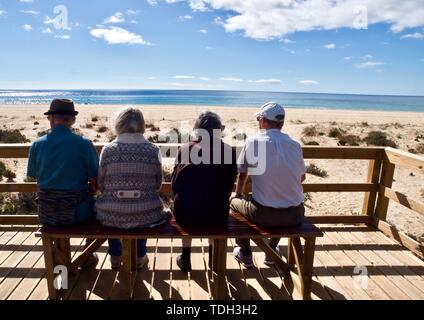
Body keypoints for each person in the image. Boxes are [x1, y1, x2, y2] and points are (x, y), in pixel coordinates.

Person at [230, 102, 306, 268]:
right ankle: (271, 251)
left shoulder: (252, 142)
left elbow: (242, 174)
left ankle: (245, 252)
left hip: (264, 215)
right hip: (295, 214)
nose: (258, 121)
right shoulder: (294, 144)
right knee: (276, 199)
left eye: (259, 118)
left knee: (234, 203)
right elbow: (302, 178)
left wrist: (237, 195)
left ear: (263, 121)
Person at [27, 98, 99, 267]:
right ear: (72, 120)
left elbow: (34, 177)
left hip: (47, 213)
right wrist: (92, 192)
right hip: (78, 213)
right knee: (98, 209)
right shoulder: (84, 144)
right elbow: (95, 181)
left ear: (50, 118)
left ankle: (60, 263)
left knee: (56, 221)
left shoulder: (37, 145)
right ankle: (86, 256)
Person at [96, 107, 169, 270]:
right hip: (146, 214)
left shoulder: (108, 150)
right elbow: (158, 185)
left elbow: (101, 185)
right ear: (142, 125)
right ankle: (139, 256)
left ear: (119, 124)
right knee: (143, 209)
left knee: (112, 209)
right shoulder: (153, 150)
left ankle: (115, 257)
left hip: (111, 215)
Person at [171, 111, 238, 272]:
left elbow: (175, 184)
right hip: (217, 215)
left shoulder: (186, 148)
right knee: (212, 202)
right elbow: (230, 182)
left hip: (186, 214)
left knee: (187, 205)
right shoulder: (228, 151)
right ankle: (212, 258)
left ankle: (185, 257)